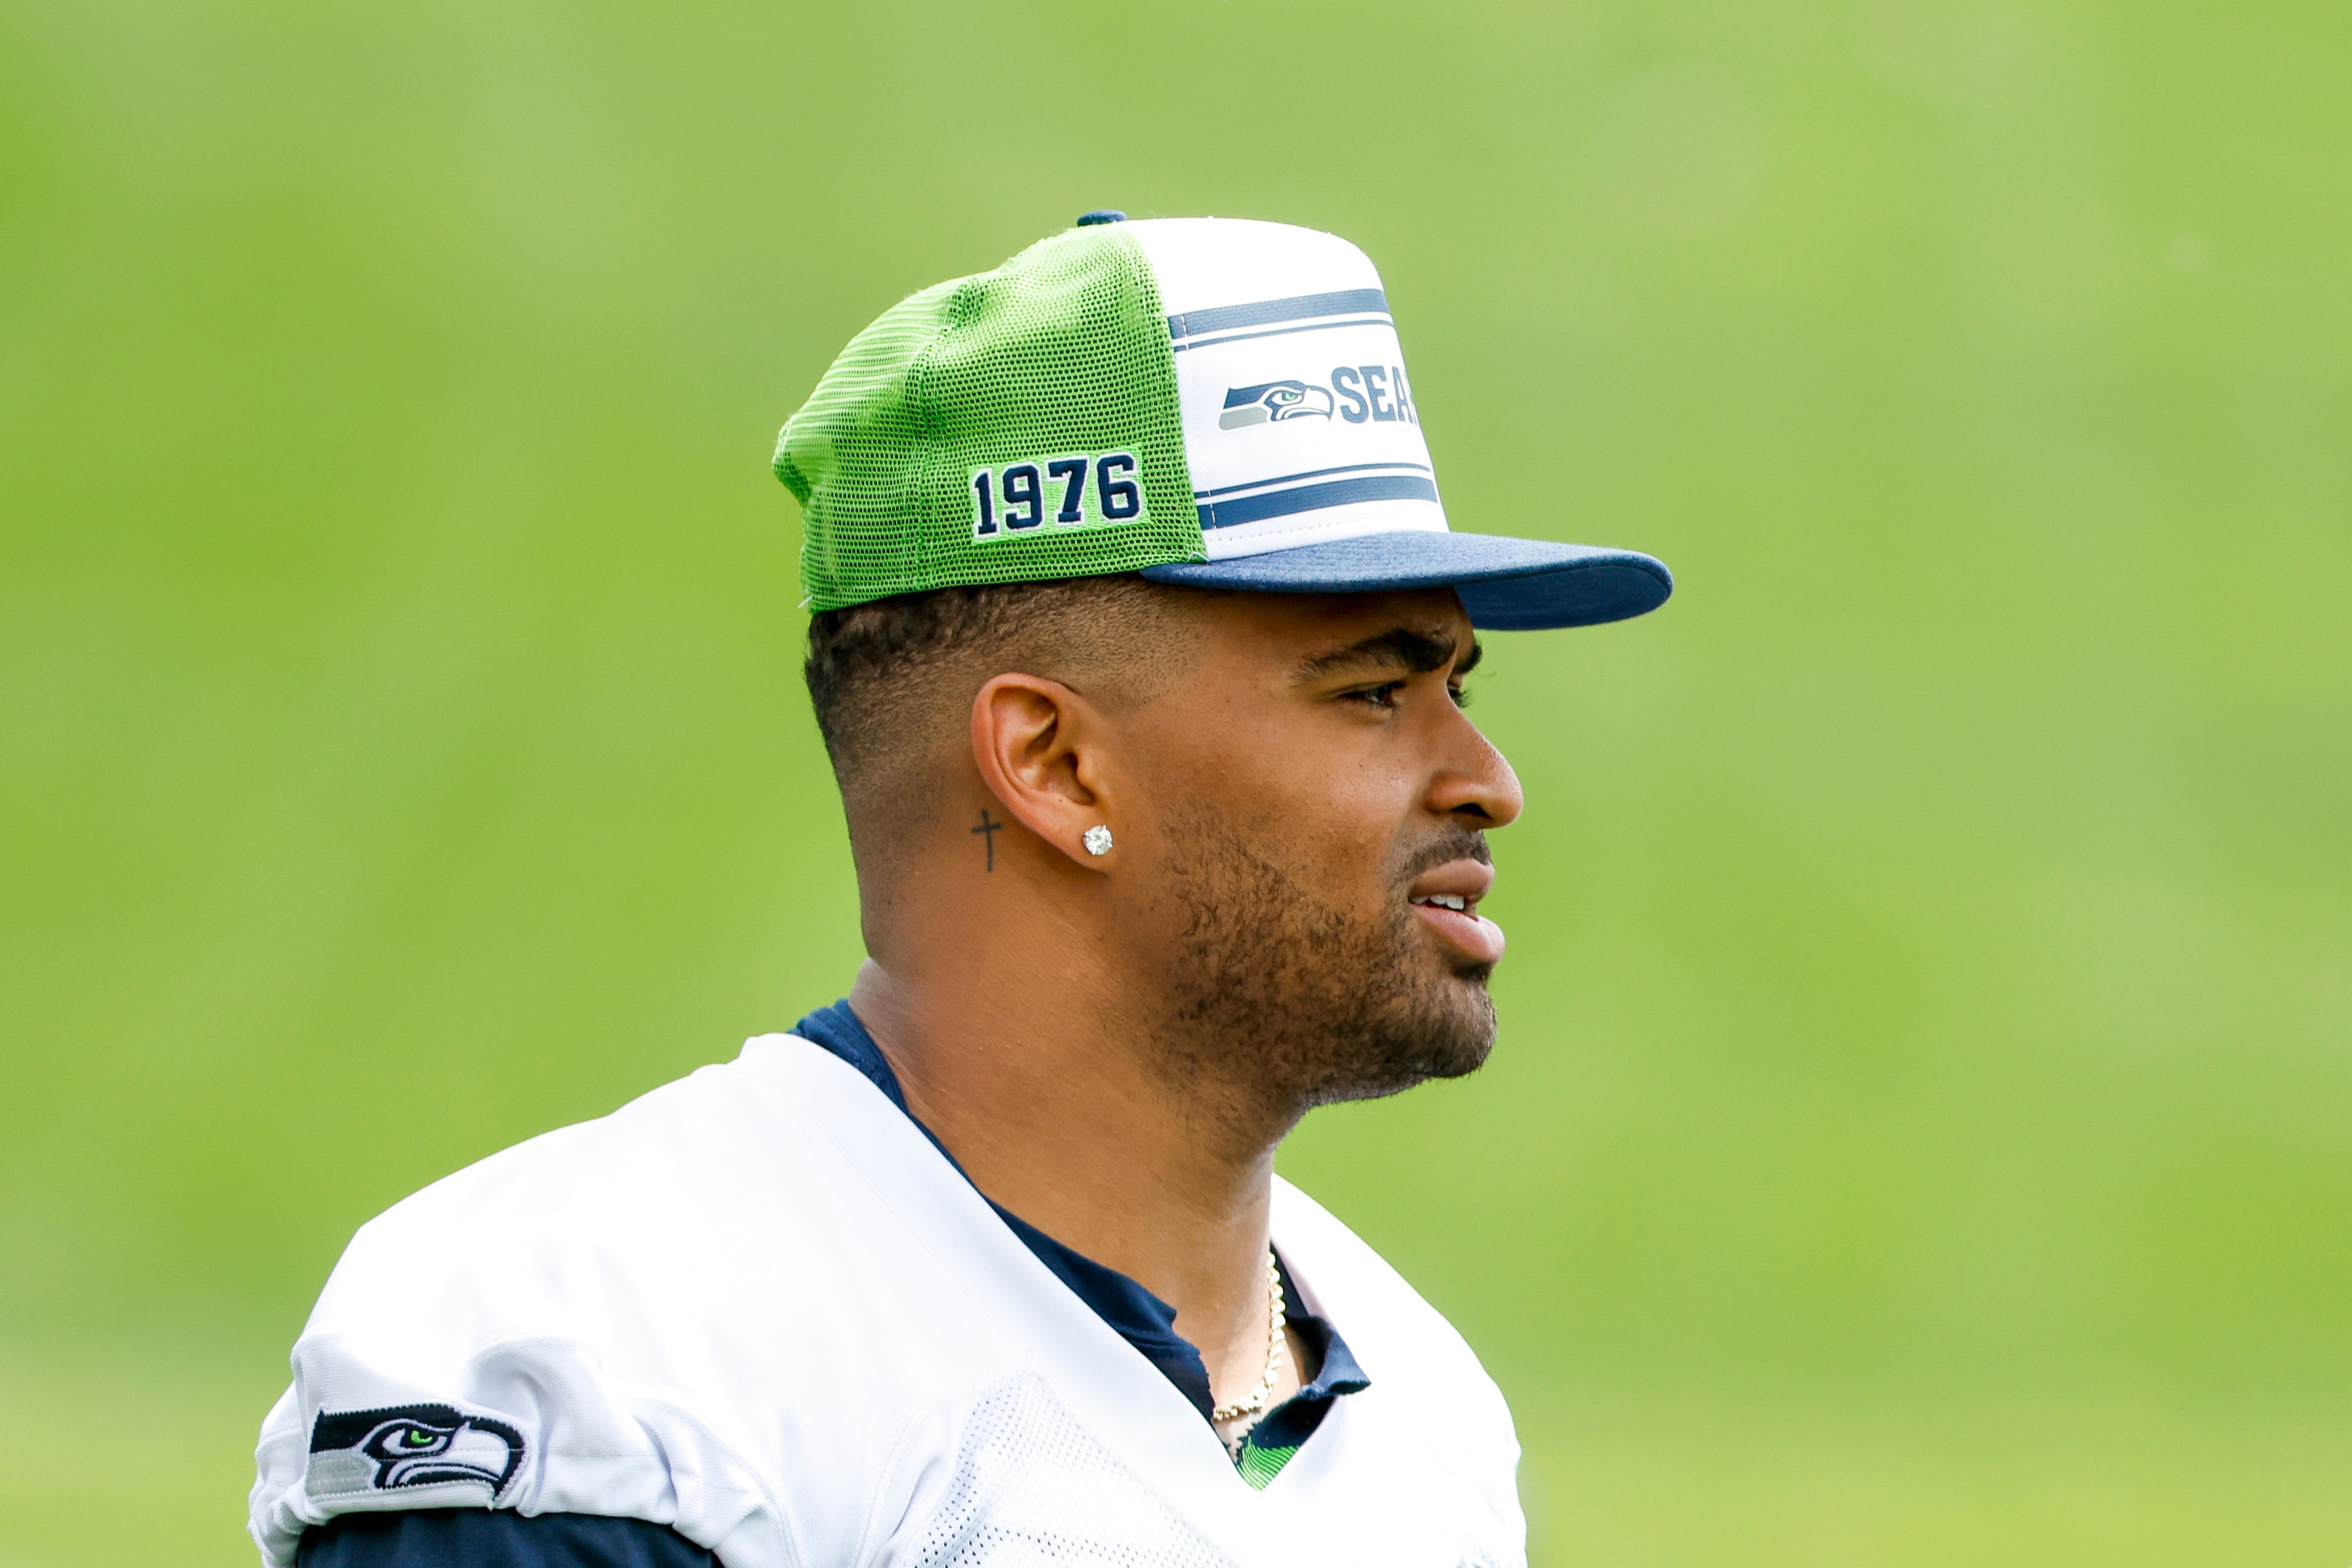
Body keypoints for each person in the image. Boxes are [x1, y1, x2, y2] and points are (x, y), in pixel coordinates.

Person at [247, 212, 1672, 1568]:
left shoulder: (1427, 1415)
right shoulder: (603, 1362)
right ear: (1055, 764)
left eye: (1458, 687)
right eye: (1372, 691)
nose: (1487, 778)